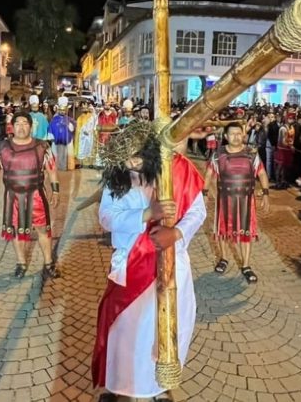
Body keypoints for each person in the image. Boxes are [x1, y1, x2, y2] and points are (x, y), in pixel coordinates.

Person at [92, 120, 206, 401]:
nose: (132, 160)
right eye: (127, 154)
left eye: (138, 154)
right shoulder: (116, 179)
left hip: (172, 263)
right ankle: (121, 387)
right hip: (131, 264)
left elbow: (197, 211)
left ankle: (158, 387)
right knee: (127, 330)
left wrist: (175, 233)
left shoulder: (176, 171)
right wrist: (147, 215)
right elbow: (106, 217)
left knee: (165, 327)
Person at [0, 112, 61, 279]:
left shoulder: (42, 146)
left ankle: (49, 264)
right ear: (12, 127)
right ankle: (21, 263)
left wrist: (55, 190)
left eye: (25, 123)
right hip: (13, 197)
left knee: (43, 229)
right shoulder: (1, 147)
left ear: (31, 126)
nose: (21, 127)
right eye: (17, 123)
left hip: (37, 195)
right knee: (17, 231)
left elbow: (52, 169)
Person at [204, 122, 270, 283]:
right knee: (222, 230)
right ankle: (223, 258)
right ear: (226, 136)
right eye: (232, 134)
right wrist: (205, 193)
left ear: (243, 135)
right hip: (224, 200)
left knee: (245, 232)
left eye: (239, 133)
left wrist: (266, 193)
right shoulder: (218, 154)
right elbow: (208, 174)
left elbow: (261, 173)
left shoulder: (251, 153)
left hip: (247, 201)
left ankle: (246, 265)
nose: (236, 137)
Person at [49, 98, 76, 171]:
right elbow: (51, 126)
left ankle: (69, 166)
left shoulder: (69, 119)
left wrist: (72, 126)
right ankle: (58, 166)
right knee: (58, 154)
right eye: (61, 110)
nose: (62, 111)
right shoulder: (55, 119)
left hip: (67, 140)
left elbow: (74, 125)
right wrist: (50, 135)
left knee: (67, 153)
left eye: (64, 110)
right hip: (57, 140)